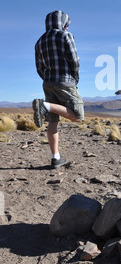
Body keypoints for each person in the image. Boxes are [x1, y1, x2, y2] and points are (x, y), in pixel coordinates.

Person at [32, 10, 84, 168]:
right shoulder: (65, 36)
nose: (67, 28)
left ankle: (56, 158)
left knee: (52, 121)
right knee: (77, 116)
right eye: (66, 25)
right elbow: (74, 60)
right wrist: (75, 78)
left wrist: (47, 78)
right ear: (63, 24)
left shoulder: (39, 41)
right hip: (65, 81)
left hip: (48, 82)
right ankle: (44, 106)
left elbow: (39, 67)